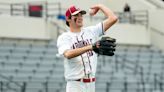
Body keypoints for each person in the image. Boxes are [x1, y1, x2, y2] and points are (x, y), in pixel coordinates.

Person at [57, 4, 118, 92]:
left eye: (81, 15)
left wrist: (99, 6)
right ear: (68, 19)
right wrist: (91, 46)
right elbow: (68, 54)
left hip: (91, 85)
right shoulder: (64, 37)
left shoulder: (91, 31)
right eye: (76, 15)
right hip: (75, 85)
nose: (80, 17)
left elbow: (113, 18)